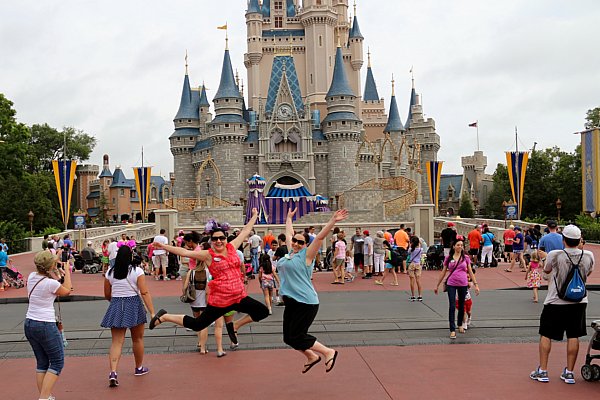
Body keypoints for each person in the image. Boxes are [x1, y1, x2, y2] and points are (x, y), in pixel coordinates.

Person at [149, 209, 269, 341]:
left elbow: (246, 231)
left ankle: (235, 325)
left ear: (226, 238)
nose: (219, 241)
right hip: (220, 300)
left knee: (262, 312)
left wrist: (255, 216)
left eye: (221, 238)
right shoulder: (207, 255)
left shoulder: (232, 247)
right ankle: (164, 317)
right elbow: (184, 252)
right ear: (211, 240)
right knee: (197, 325)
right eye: (215, 239)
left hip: (238, 296)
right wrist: (163, 246)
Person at [278, 207, 348, 373]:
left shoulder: (306, 256)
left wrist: (333, 221)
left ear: (305, 245)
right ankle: (311, 356)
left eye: (300, 242)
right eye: (295, 241)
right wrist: (288, 218)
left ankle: (328, 351)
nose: (295, 243)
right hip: (291, 302)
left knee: (297, 335)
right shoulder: (290, 253)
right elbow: (289, 233)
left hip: (305, 302)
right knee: (288, 338)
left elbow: (321, 237)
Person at [530, 224, 594, 384]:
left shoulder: (555, 254)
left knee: (546, 334)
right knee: (574, 335)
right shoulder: (588, 255)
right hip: (579, 301)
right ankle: (569, 372)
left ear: (563, 240)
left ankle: (543, 371)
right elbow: (588, 272)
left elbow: (546, 270)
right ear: (579, 240)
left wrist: (545, 257)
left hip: (555, 301)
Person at [101, 246, 155, 387]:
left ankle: (113, 372)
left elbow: (107, 294)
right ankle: (138, 367)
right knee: (137, 338)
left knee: (117, 342)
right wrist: (152, 311)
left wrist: (116, 302)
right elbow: (144, 292)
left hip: (117, 304)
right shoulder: (137, 271)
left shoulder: (110, 272)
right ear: (130, 257)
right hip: (134, 304)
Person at [25, 251, 72, 400]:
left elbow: (47, 270)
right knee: (57, 362)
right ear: (50, 266)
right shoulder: (50, 283)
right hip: (45, 324)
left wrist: (54, 262)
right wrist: (67, 270)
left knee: (42, 362)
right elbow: (67, 290)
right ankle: (44, 398)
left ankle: (45, 396)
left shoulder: (32, 277)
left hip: (29, 323)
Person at [434, 238, 480, 339]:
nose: (460, 247)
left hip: (463, 283)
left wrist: (476, 284)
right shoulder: (449, 258)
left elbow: (470, 271)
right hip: (451, 283)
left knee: (462, 305)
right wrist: (437, 285)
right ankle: (452, 329)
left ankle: (460, 324)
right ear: (454, 246)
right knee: (452, 305)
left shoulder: (466, 258)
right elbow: (443, 271)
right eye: (458, 245)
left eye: (461, 245)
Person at [407, 236, 424, 301]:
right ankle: (420, 295)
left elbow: (408, 253)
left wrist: (409, 244)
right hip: (418, 264)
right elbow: (421, 245)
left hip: (412, 264)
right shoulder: (420, 249)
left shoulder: (411, 249)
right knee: (418, 280)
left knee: (412, 280)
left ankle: (413, 296)